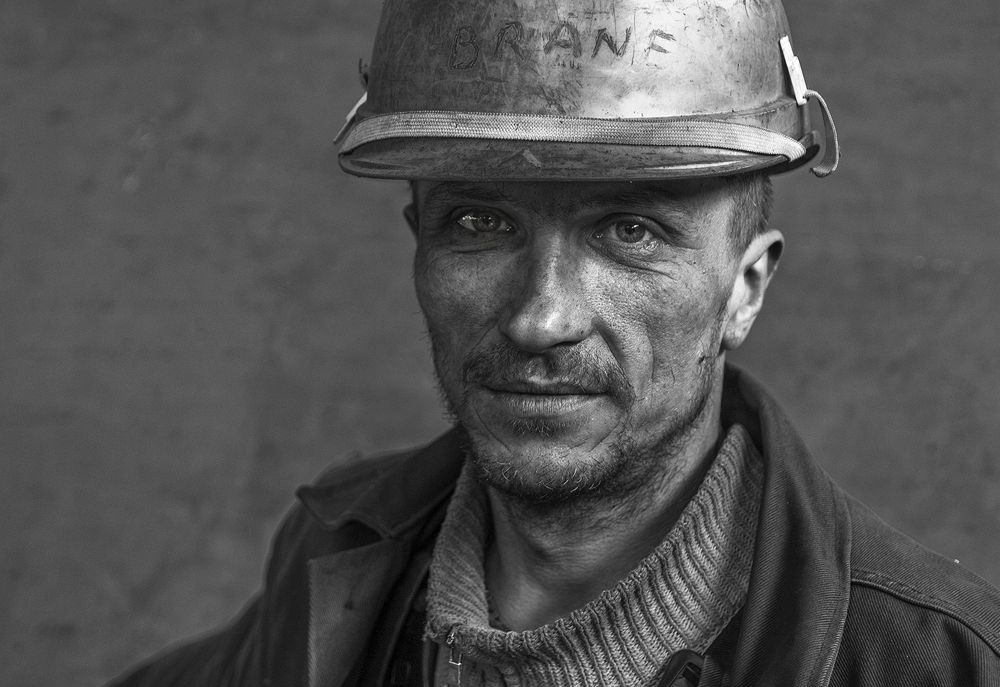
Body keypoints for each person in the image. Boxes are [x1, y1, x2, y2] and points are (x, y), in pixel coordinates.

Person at [109, 0, 1000, 685]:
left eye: (631, 232)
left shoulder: (932, 661)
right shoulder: (339, 559)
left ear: (746, 288)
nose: (541, 317)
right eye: (480, 221)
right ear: (417, 239)